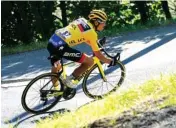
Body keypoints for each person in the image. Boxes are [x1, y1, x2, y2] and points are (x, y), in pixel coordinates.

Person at [47, 9, 116, 97]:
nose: (104, 25)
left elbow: (82, 37)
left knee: (57, 66)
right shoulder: (92, 33)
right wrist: (110, 61)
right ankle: (68, 80)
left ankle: (56, 90)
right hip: (61, 47)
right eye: (103, 22)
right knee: (89, 61)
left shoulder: (81, 20)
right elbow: (98, 55)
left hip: (52, 41)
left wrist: (94, 43)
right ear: (96, 22)